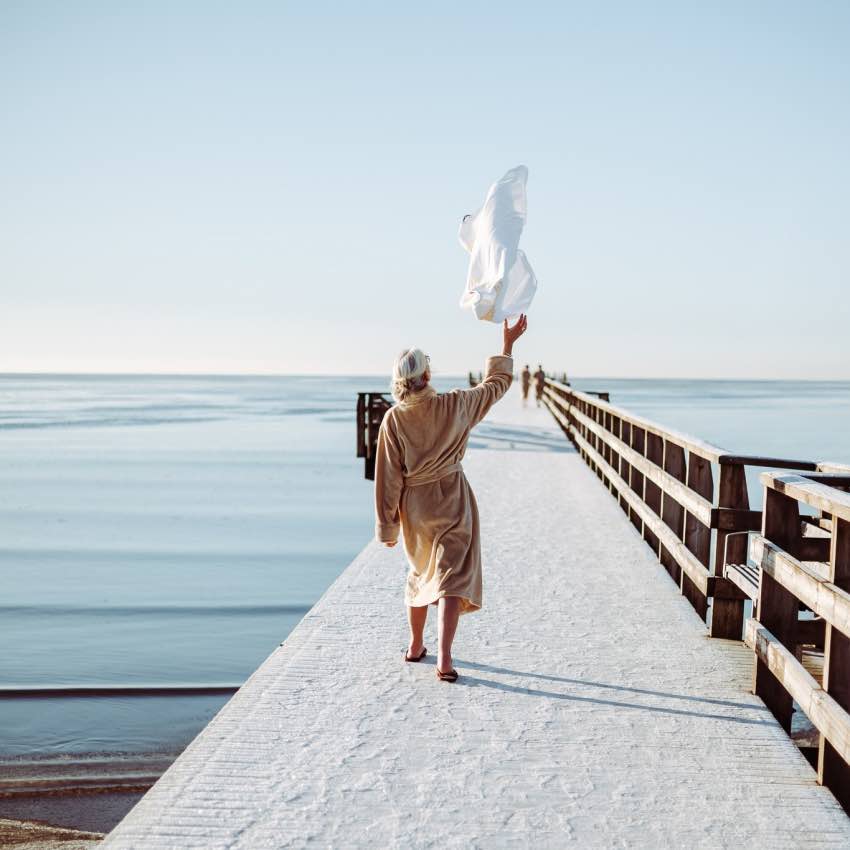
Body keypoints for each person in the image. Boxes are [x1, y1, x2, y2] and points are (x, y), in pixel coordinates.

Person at [374, 315, 529, 682]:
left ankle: (415, 646)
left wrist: (388, 527)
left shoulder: (393, 421)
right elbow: (495, 385)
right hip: (452, 501)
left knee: (420, 573)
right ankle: (444, 658)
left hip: (415, 508)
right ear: (428, 376)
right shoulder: (455, 405)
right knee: (451, 578)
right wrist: (506, 346)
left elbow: (387, 478)